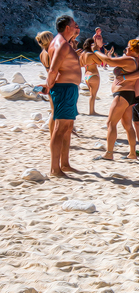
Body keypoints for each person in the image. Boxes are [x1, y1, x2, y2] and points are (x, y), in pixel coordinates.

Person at [96, 39, 139, 161]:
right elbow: (111, 61)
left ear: (134, 49)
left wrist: (95, 50)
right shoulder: (133, 60)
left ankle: (109, 153)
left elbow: (108, 61)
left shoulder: (130, 59)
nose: (127, 48)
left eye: (129, 47)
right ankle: (132, 153)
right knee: (127, 125)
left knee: (111, 123)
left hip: (122, 95)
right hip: (129, 95)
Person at [45, 15, 82, 177]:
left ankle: (65, 164)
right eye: (74, 25)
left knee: (67, 128)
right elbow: (53, 69)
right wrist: (48, 86)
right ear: (67, 27)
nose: (76, 28)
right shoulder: (61, 44)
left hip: (68, 89)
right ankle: (55, 169)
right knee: (60, 129)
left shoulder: (59, 42)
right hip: (64, 89)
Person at [79, 37, 105, 115]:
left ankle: (91, 111)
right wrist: (98, 50)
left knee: (91, 95)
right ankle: (92, 111)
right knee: (93, 95)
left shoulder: (82, 54)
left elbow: (81, 65)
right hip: (93, 75)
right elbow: (101, 63)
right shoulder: (91, 54)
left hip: (86, 75)